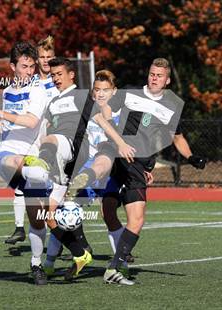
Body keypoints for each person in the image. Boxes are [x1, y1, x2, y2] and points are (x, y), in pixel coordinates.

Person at [68, 58, 206, 285]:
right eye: (152, 74)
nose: (154, 78)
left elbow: (176, 137)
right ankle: (86, 181)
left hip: (138, 164)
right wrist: (110, 120)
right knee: (108, 168)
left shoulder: (171, 106)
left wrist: (191, 157)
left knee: (124, 214)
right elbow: (107, 109)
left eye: (159, 75)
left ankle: (115, 266)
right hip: (121, 150)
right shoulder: (130, 92)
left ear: (167, 80)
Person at [22, 57, 133, 281]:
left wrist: (123, 146)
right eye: (97, 90)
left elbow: (112, 128)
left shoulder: (105, 108)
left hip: (105, 167)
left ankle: (120, 263)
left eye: (105, 90)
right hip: (79, 168)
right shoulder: (58, 103)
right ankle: (61, 259)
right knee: (56, 214)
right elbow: (48, 129)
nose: (100, 94)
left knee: (108, 213)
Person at [0, 41, 49, 285]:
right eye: (24, 66)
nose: (29, 71)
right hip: (8, 155)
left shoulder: (39, 90)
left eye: (32, 66)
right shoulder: (8, 92)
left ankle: (37, 264)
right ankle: (42, 175)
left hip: (32, 159)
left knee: (39, 220)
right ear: (12, 67)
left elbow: (30, 122)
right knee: (12, 160)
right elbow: (10, 122)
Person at [3, 35, 60, 245]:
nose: (45, 61)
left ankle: (64, 238)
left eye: (49, 57)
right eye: (42, 57)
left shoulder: (57, 83)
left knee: (54, 195)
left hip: (51, 140)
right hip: (32, 140)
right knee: (26, 185)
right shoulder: (30, 82)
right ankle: (20, 228)